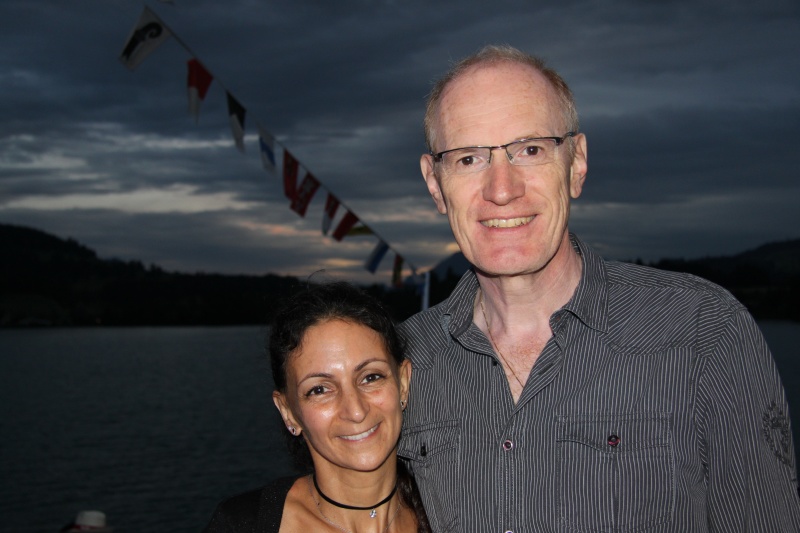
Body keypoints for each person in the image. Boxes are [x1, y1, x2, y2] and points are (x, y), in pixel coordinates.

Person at [399, 44, 800, 532]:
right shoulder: (400, 360)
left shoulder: (704, 331)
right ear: (435, 183)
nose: (502, 189)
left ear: (577, 163)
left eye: (530, 149)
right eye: (468, 158)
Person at [203, 282, 430, 533]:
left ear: (403, 383)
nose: (356, 411)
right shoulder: (243, 525)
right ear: (288, 412)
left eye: (370, 377)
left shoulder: (450, 512)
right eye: (320, 389)